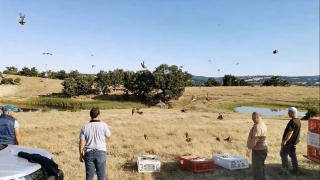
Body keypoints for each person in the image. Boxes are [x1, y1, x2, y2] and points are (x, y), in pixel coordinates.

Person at [79, 108, 111, 180]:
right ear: (99, 115)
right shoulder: (103, 125)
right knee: (101, 176)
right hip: (101, 152)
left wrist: (81, 154)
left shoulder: (85, 127)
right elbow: (109, 136)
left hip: (88, 153)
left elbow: (82, 142)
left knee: (89, 177)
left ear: (90, 115)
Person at [279, 107, 301, 175]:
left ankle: (284, 171)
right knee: (293, 156)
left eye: (289, 112)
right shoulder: (298, 120)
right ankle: (296, 170)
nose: (288, 113)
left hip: (289, 143)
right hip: (294, 143)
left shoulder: (292, 121)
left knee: (283, 155)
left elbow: (290, 132)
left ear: (293, 112)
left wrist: (284, 141)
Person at [246, 112, 268, 180]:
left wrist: (249, 149)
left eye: (253, 118)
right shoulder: (263, 124)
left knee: (257, 167)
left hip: (258, 150)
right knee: (261, 166)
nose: (252, 120)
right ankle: (263, 178)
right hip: (263, 149)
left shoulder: (258, 126)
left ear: (256, 117)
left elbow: (254, 140)